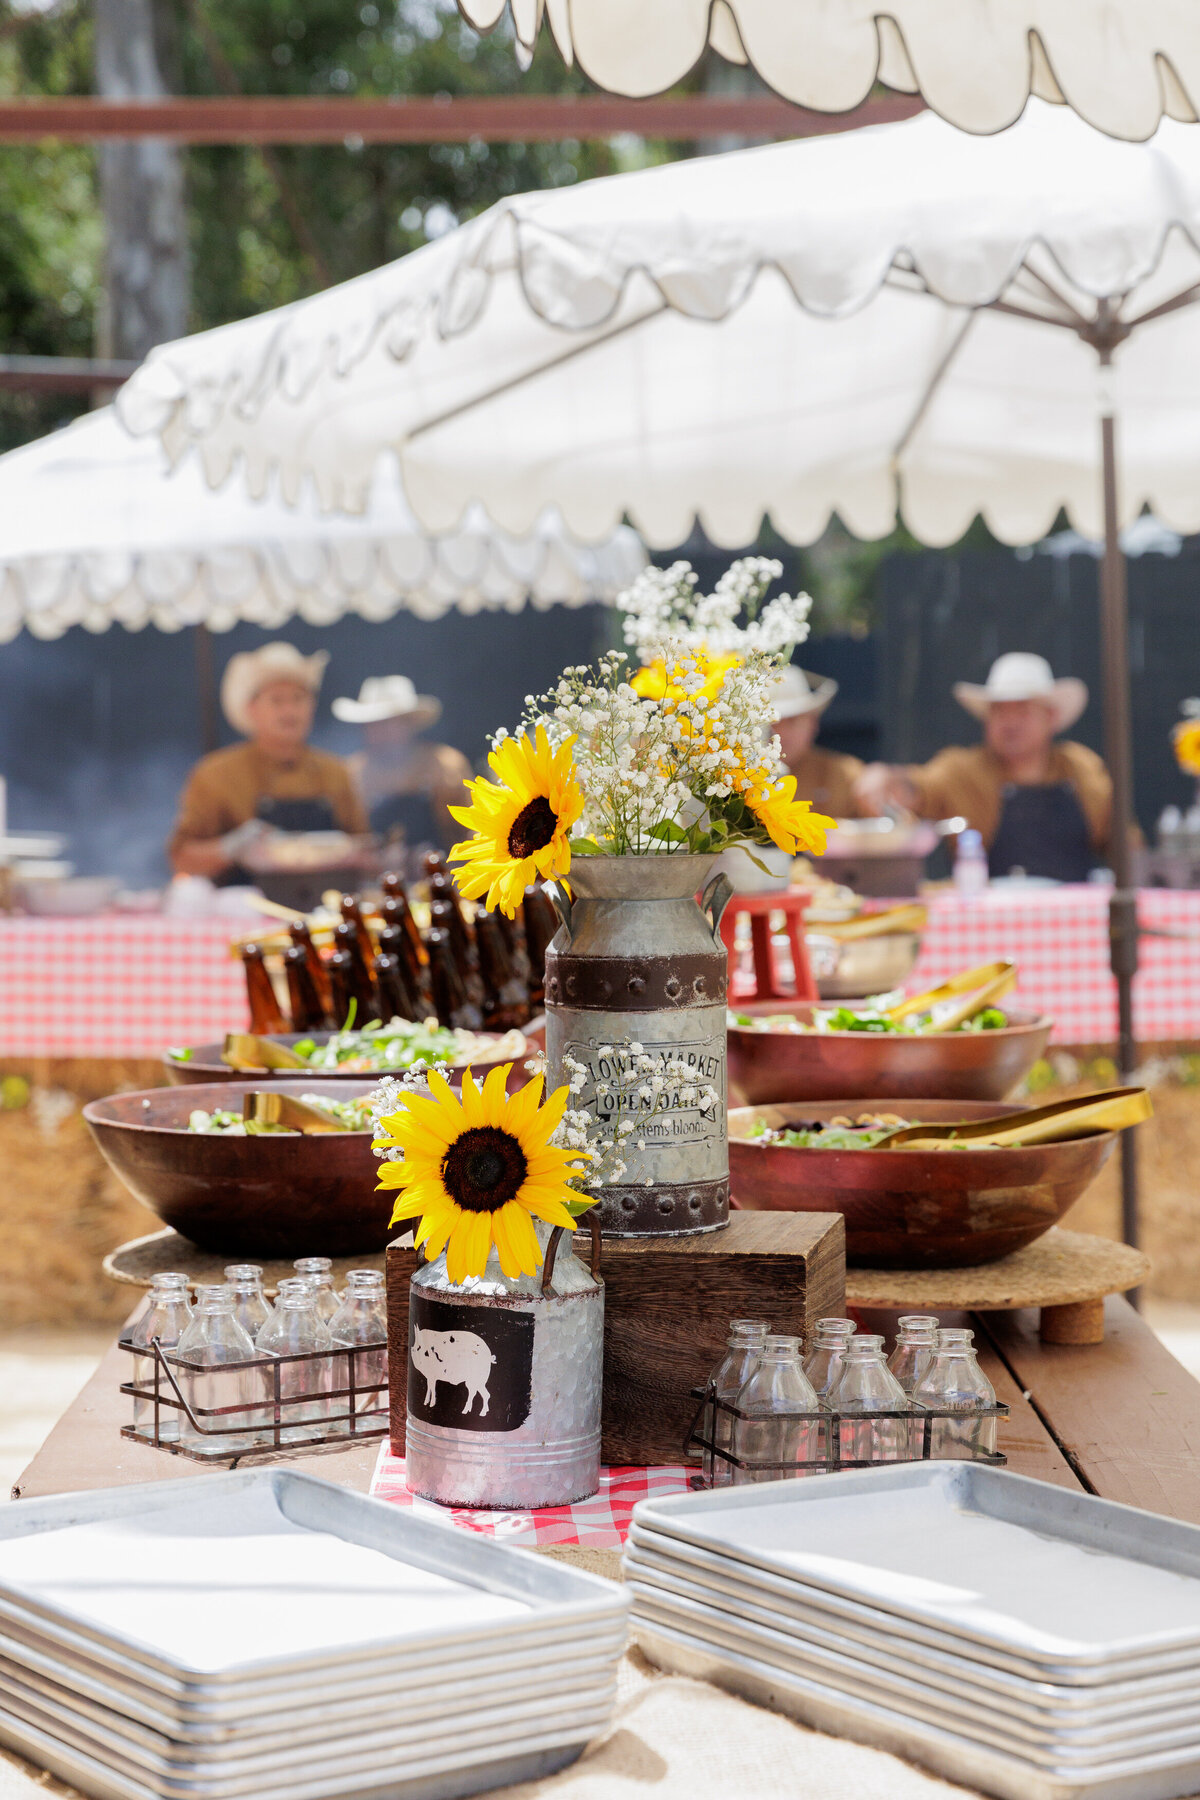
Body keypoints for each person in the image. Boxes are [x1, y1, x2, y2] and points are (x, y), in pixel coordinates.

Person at [854, 652, 1112, 881]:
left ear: (1051, 717)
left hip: (1076, 919)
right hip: (986, 922)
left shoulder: (1082, 767)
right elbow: (917, 787)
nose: (1010, 723)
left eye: (1022, 710)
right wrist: (887, 779)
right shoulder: (961, 770)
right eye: (1000, 711)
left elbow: (1122, 842)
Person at [169, 642, 368, 880]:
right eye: (277, 700)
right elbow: (181, 856)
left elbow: (364, 847)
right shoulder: (214, 774)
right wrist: (230, 848)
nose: (289, 711)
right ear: (252, 709)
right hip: (242, 905)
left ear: (312, 706)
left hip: (326, 900)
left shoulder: (336, 772)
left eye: (298, 699)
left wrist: (351, 852)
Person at [332, 675, 470, 854]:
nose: (380, 730)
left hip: (441, 874)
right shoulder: (350, 774)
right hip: (375, 879)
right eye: (373, 723)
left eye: (388, 721)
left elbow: (474, 829)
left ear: (409, 722)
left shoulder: (446, 766)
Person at [770, 665, 868, 817]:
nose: (780, 732)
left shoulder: (843, 774)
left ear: (813, 723)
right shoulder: (734, 778)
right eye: (771, 722)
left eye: (792, 720)